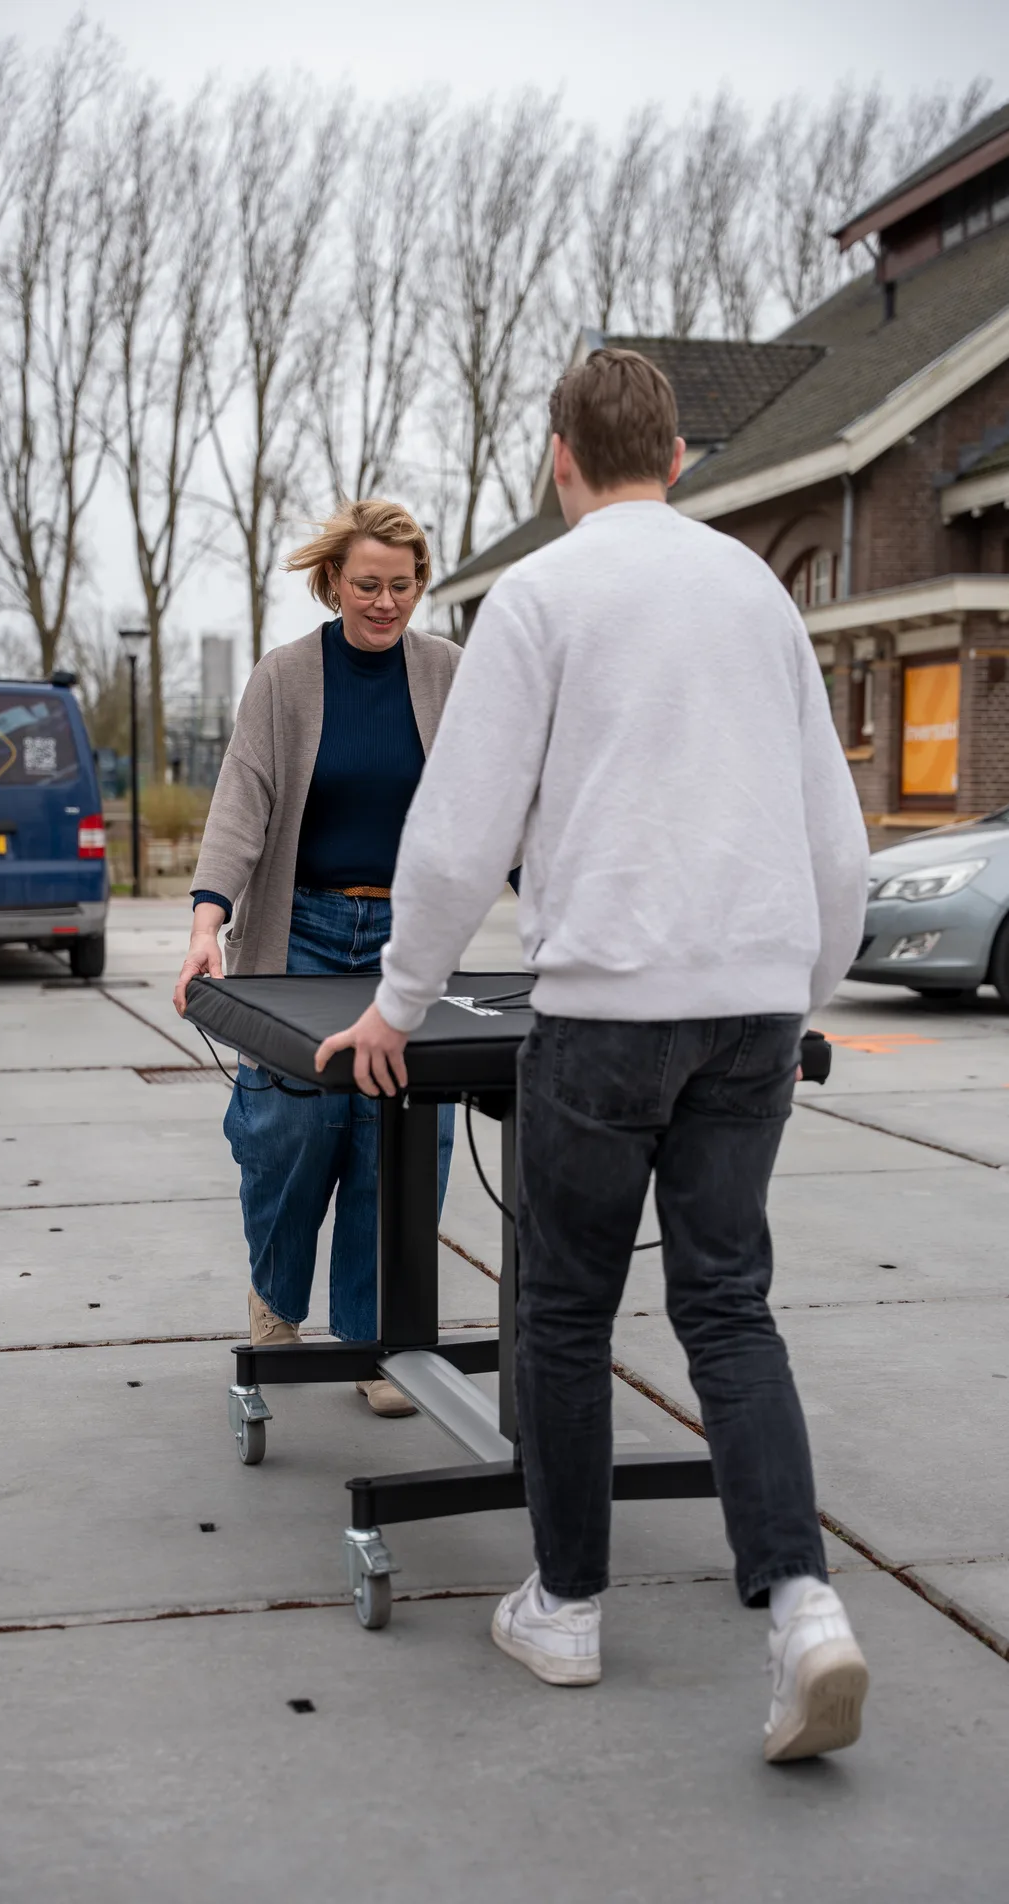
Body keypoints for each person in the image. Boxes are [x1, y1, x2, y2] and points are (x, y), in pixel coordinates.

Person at [316, 350, 872, 1759]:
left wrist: (397, 999)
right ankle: (802, 1603)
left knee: (558, 1315)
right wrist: (800, 990)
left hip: (605, 1014)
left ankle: (565, 1607)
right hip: (749, 1006)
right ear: (678, 459)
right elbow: (834, 839)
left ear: (560, 456)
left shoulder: (545, 597)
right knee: (727, 1306)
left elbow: (458, 833)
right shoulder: (755, 590)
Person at [173, 499, 461, 1417]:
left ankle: (381, 1338)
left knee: (399, 1133)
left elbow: (490, 804)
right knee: (289, 1130)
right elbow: (241, 807)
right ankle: (276, 1298)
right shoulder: (285, 678)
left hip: (402, 943)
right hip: (297, 932)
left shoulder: (451, 674)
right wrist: (204, 923)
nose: (385, 602)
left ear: (420, 585)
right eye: (368, 584)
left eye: (402, 586)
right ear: (333, 581)